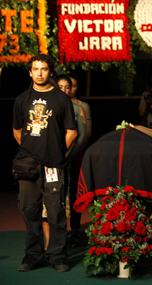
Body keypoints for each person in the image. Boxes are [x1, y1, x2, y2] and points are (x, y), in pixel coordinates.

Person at [12, 54, 78, 273]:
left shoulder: (61, 98)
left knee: (56, 212)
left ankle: (57, 256)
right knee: (29, 211)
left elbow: (71, 132)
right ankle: (33, 256)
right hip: (27, 164)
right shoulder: (22, 99)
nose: (39, 73)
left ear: (51, 72)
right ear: (30, 72)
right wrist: (32, 151)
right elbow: (17, 130)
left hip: (54, 165)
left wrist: (55, 153)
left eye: (44, 69)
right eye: (35, 69)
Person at [55, 73, 88, 248]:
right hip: (53, 159)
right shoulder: (50, 106)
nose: (64, 90)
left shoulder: (78, 108)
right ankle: (56, 236)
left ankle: (75, 230)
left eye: (68, 87)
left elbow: (82, 136)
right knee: (54, 195)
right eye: (60, 87)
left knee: (74, 192)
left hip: (72, 156)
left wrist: (68, 156)